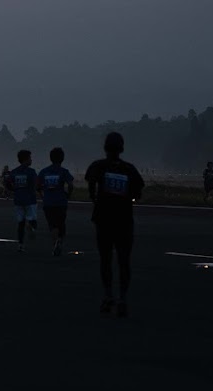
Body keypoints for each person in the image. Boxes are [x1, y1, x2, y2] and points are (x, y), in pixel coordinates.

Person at [85, 132, 145, 317]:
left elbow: (91, 187)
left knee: (106, 259)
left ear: (105, 147)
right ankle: (122, 298)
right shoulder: (129, 169)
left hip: (103, 219)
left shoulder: (98, 166)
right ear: (122, 148)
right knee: (124, 261)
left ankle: (108, 294)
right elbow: (138, 192)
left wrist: (96, 200)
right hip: (124, 220)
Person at [38, 147, 75, 256]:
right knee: (61, 223)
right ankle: (60, 240)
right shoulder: (64, 171)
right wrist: (68, 194)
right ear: (62, 158)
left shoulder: (44, 171)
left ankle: (55, 242)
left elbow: (37, 186)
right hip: (61, 202)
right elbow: (71, 184)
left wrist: (42, 196)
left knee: (52, 224)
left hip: (48, 202)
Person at [10, 149, 38, 252]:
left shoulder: (14, 172)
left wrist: (14, 190)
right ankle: (30, 226)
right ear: (26, 159)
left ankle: (21, 245)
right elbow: (36, 184)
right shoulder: (31, 172)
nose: (31, 160)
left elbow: (8, 182)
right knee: (33, 220)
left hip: (18, 200)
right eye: (30, 158)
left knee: (20, 223)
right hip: (30, 200)